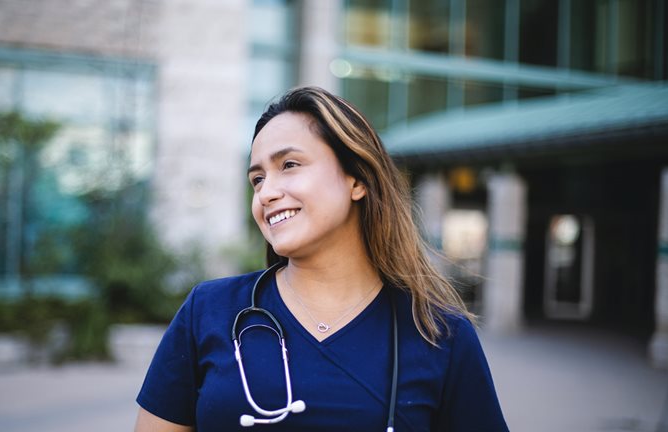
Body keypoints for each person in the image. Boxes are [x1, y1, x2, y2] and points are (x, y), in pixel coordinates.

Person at [134, 86, 508, 432]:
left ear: (357, 180)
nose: (266, 193)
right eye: (257, 179)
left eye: (289, 165)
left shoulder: (440, 334)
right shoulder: (207, 311)